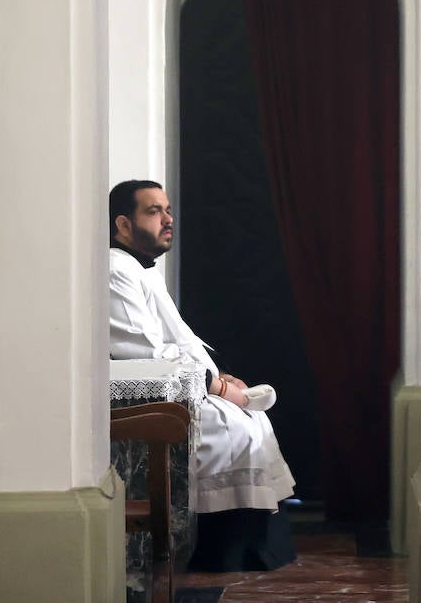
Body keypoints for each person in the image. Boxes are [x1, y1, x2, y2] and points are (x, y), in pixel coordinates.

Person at [108, 179, 297, 572]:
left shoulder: (142, 269)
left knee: (249, 421)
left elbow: (181, 337)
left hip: (181, 382)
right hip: (146, 397)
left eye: (167, 209)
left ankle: (247, 549)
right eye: (153, 211)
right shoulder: (115, 268)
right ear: (123, 226)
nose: (168, 219)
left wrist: (220, 376)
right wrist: (219, 387)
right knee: (235, 425)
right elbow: (144, 351)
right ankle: (225, 552)